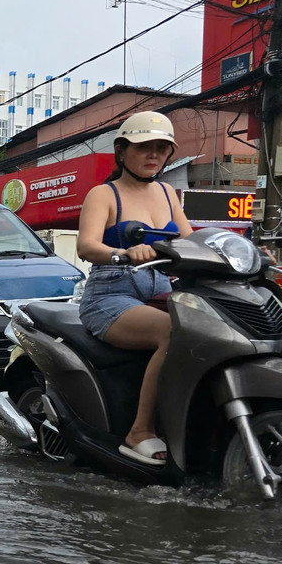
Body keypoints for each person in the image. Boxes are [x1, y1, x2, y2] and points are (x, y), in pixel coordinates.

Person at [76, 111, 193, 466]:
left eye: (161, 148)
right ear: (122, 151)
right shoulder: (104, 194)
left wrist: (244, 252)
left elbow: (191, 240)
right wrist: (123, 253)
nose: (153, 155)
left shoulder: (168, 192)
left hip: (159, 291)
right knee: (174, 333)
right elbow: (86, 246)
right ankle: (139, 432)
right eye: (144, 147)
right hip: (110, 296)